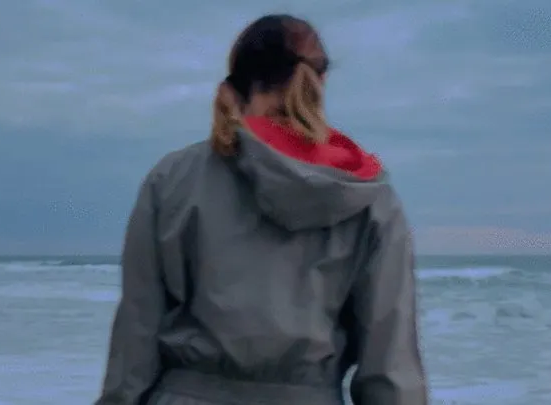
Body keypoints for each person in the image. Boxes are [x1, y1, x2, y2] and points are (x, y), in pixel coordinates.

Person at [94, 14, 428, 405]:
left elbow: (136, 335)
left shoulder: (171, 180)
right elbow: (389, 367)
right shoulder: (366, 195)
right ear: (320, 82)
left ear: (236, 85)